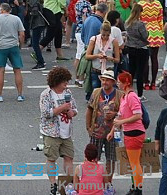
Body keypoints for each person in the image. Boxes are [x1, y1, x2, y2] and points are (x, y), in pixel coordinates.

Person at [39, 66, 78, 195]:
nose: (66, 84)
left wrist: (72, 112)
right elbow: (46, 114)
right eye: (64, 81)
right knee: (52, 158)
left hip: (66, 132)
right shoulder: (46, 95)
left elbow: (75, 109)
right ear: (56, 81)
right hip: (51, 132)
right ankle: (53, 184)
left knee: (69, 157)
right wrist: (62, 107)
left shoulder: (68, 93)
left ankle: (68, 183)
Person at [114, 72, 145, 195]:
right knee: (133, 162)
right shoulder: (124, 97)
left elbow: (138, 115)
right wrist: (114, 129)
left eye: (119, 81)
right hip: (129, 132)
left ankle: (138, 188)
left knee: (135, 162)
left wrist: (122, 122)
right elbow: (120, 115)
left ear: (126, 83)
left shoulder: (131, 96)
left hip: (134, 132)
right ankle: (135, 186)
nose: (118, 83)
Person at [0, 2, 25, 102]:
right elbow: (22, 34)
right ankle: (20, 94)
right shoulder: (16, 19)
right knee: (17, 70)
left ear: (1, 10)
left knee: (0, 71)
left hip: (0, 46)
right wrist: (20, 44)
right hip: (13, 45)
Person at [84, 69, 120, 174]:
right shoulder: (96, 92)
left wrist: (115, 114)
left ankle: (108, 183)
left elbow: (124, 113)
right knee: (93, 158)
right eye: (103, 80)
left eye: (107, 80)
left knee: (111, 159)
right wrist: (88, 128)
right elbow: (89, 110)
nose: (104, 82)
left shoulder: (119, 95)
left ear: (113, 82)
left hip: (112, 133)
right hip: (96, 131)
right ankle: (94, 180)